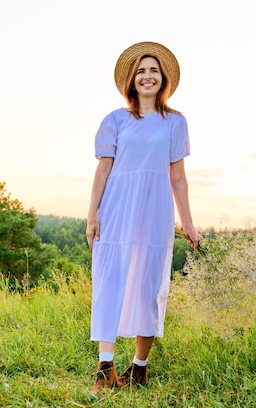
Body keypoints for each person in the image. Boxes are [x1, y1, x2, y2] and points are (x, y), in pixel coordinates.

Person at [86, 41, 201, 393]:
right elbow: (103, 171)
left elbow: (178, 178)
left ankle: (139, 368)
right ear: (131, 80)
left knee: (149, 286)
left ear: (163, 78)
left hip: (155, 212)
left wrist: (190, 224)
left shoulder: (175, 122)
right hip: (117, 209)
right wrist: (92, 215)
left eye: (153, 70)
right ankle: (106, 369)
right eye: (141, 71)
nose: (147, 76)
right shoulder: (115, 120)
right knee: (111, 282)